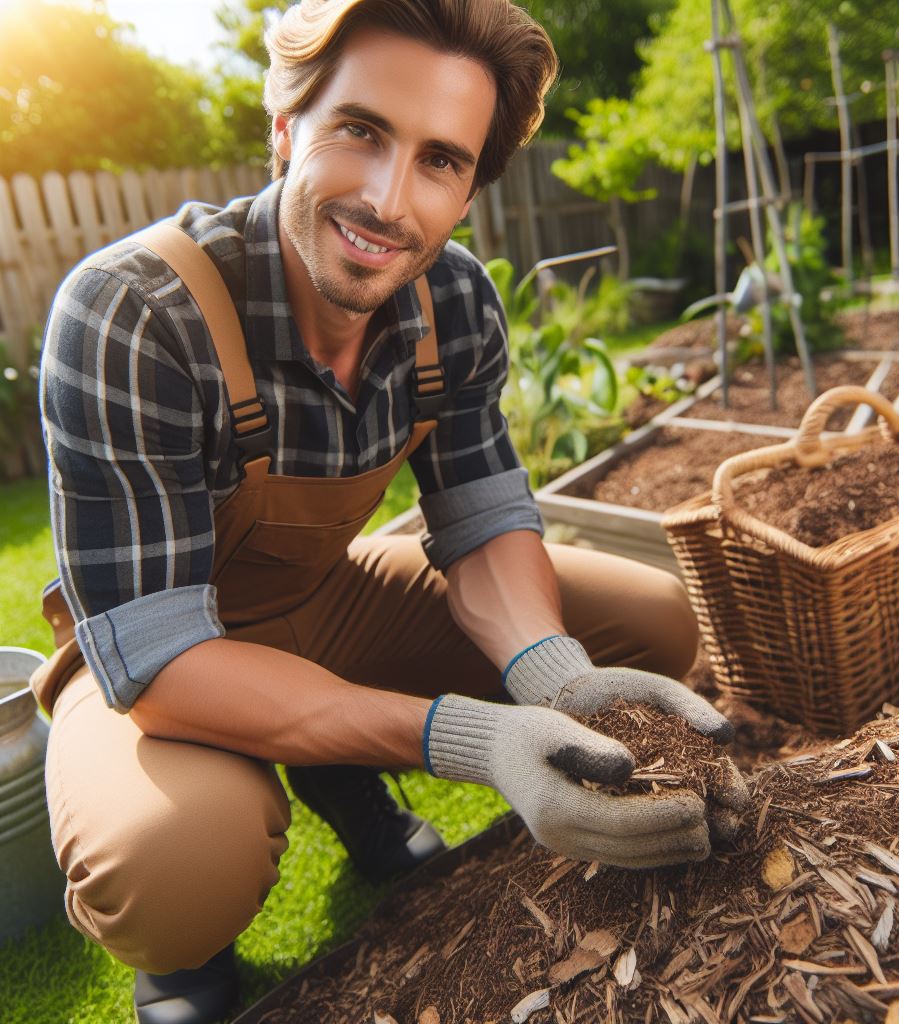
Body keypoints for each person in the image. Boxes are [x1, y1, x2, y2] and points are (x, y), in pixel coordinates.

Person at [33, 1, 749, 1021]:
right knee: (175, 866)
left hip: (324, 602)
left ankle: (332, 765)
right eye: (359, 131)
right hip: (152, 655)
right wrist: (473, 739)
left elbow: (482, 522)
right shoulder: (133, 312)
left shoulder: (451, 302)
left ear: (469, 189)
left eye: (439, 160)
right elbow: (155, 661)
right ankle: (185, 954)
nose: (385, 198)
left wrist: (556, 677)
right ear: (283, 125)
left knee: (647, 620)